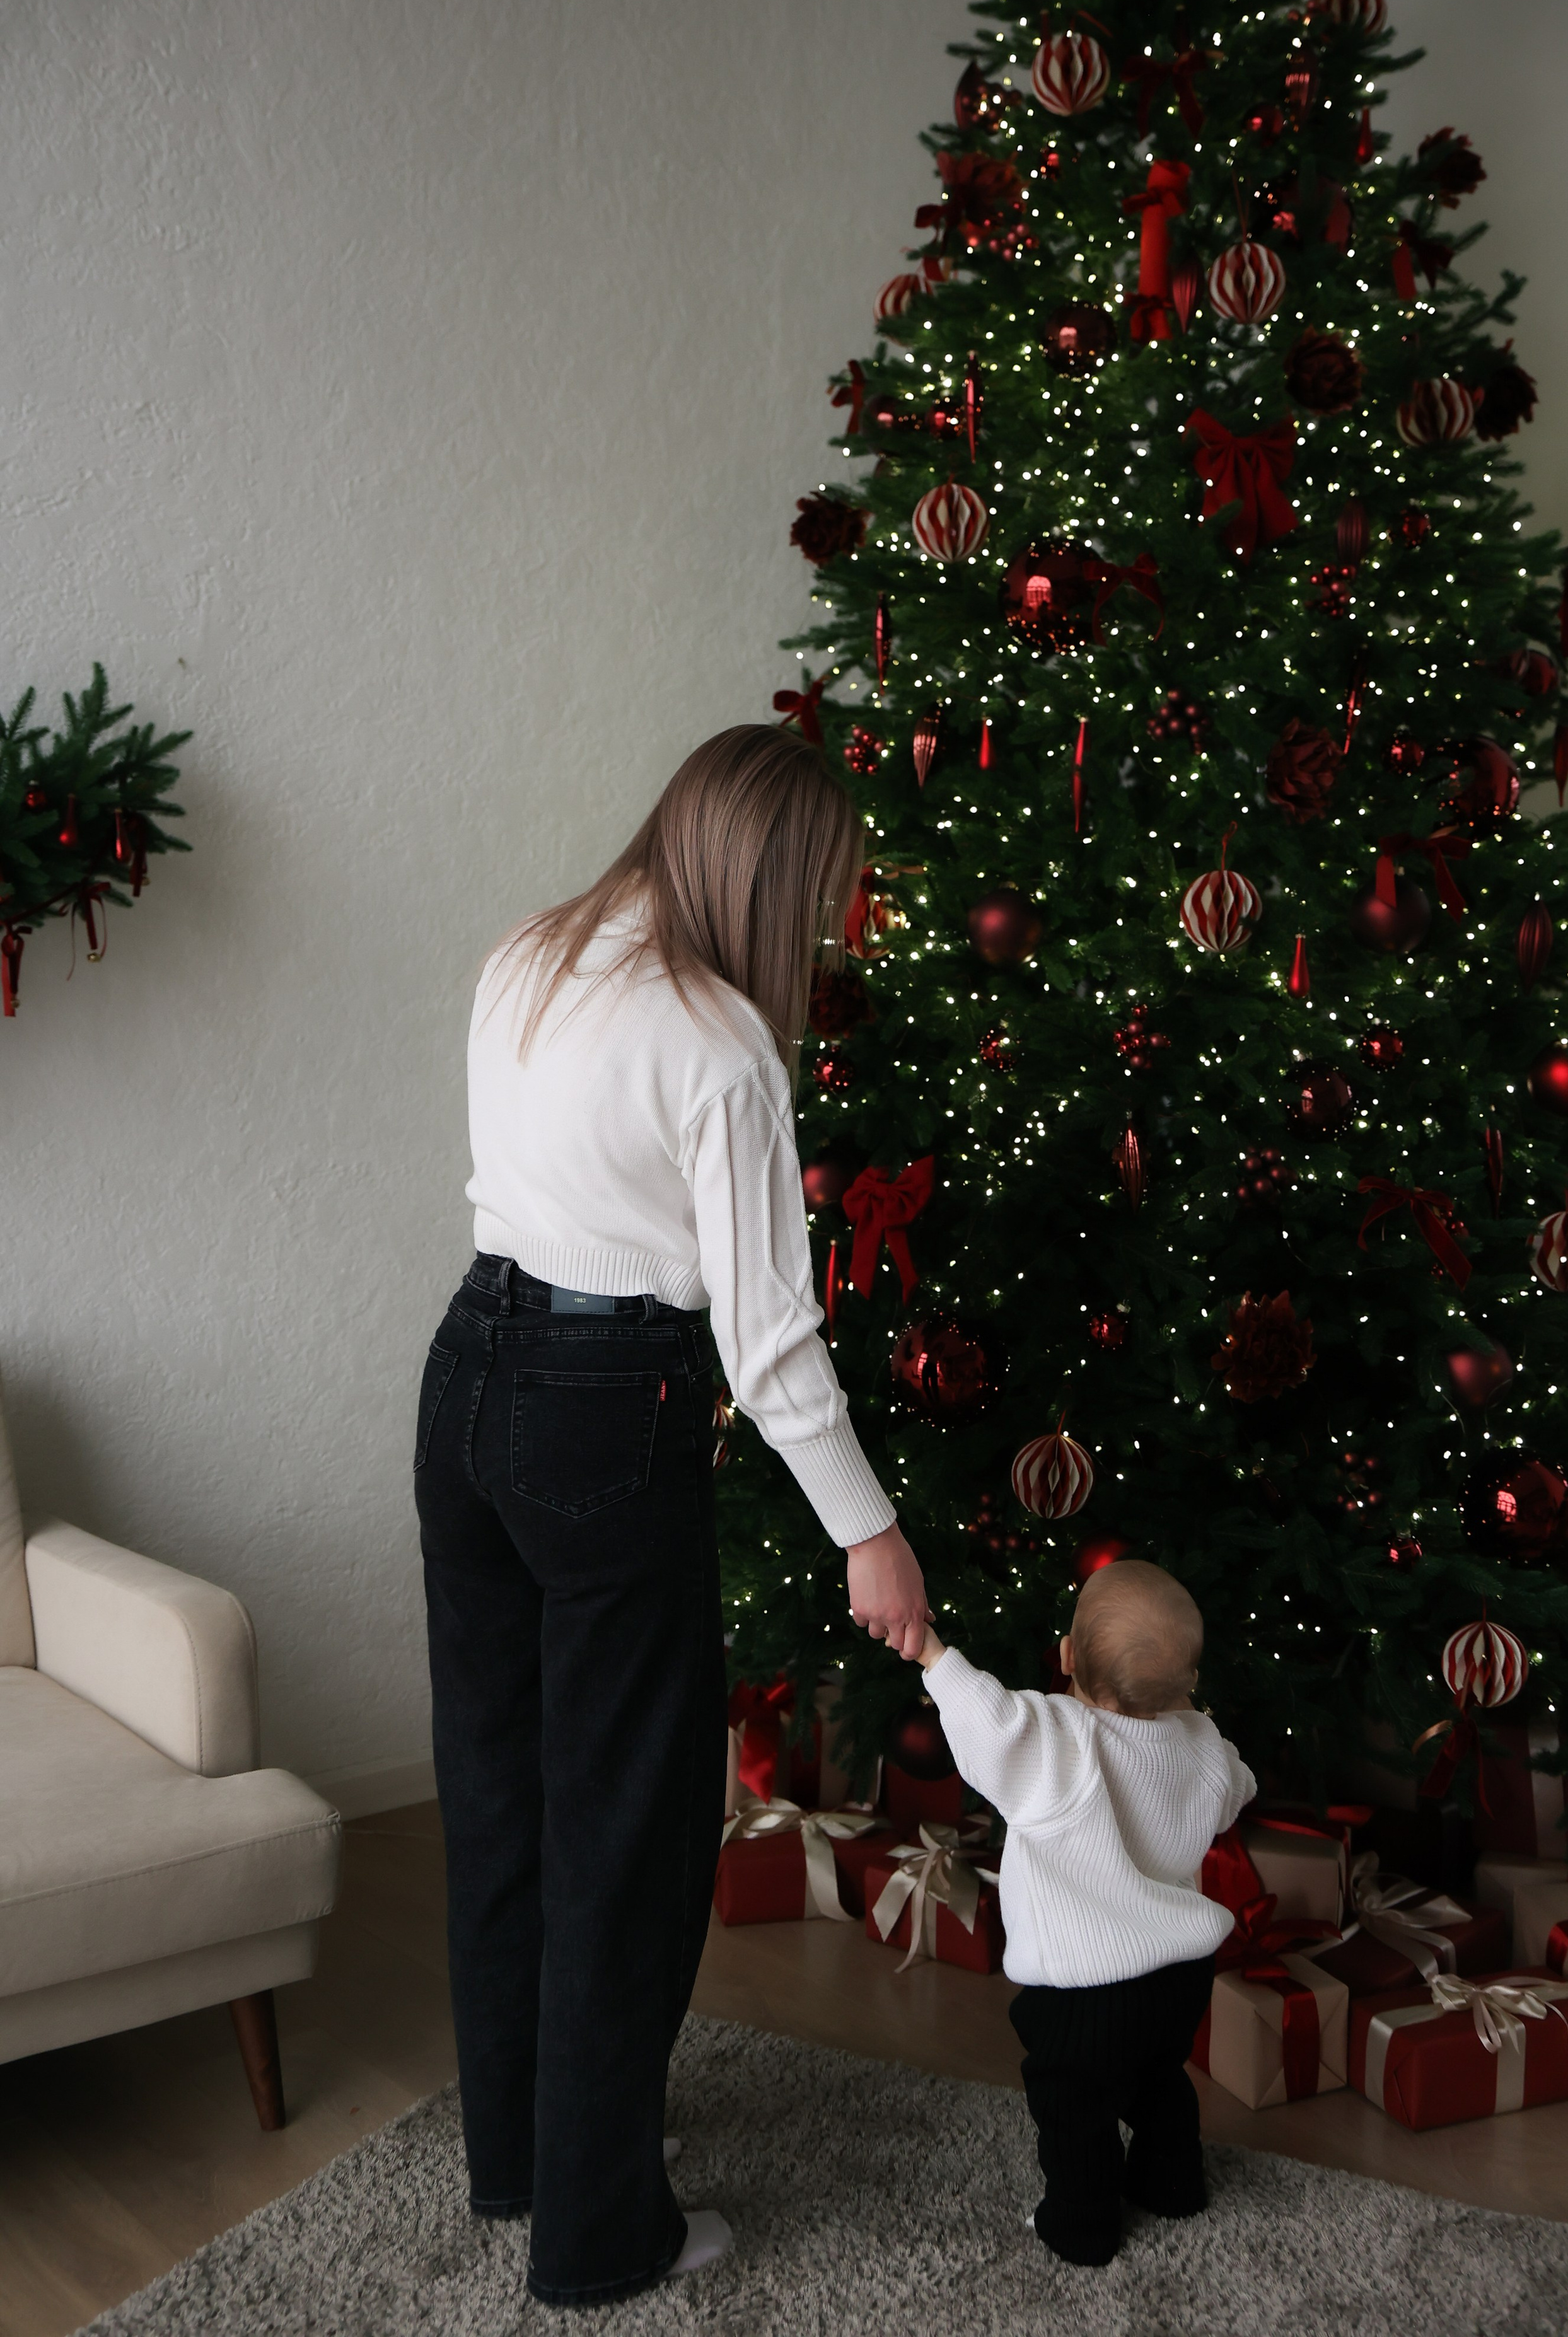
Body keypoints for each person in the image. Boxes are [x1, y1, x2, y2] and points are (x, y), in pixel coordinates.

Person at [414, 725, 929, 2306]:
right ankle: (599, 2232)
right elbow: (768, 1341)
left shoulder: (527, 952)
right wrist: (869, 1530)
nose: (829, 930)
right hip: (604, 1404)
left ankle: (517, 2157)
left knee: (500, 1794)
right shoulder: (715, 1043)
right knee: (628, 1834)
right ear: (768, 881)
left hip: (466, 1377)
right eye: (824, 897)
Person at [915, 1560, 1255, 2269]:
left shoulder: (1056, 1740)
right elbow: (1236, 1787)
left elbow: (986, 1717)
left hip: (1084, 1990)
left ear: (1067, 1657)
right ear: (1185, 1681)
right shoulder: (1202, 1746)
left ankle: (1081, 2225)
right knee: (1158, 2078)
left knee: (1075, 2105)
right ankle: (1173, 2184)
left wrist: (931, 1654)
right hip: (1181, 1976)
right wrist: (1194, 1723)